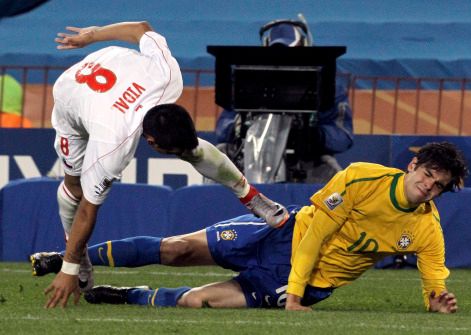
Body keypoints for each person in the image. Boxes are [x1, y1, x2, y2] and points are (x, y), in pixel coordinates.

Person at [32, 142, 467, 313]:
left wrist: (436, 299)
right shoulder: (360, 176)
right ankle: (66, 259)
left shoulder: (427, 230)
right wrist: (293, 300)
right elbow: (315, 234)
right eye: (427, 175)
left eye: (438, 186)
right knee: (177, 249)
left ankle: (123, 296)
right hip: (281, 234)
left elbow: (434, 277)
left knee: (197, 303)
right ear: (412, 166)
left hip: (304, 281)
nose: (428, 187)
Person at [42, 21, 289, 309]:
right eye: (170, 151)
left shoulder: (168, 76)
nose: (176, 155)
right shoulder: (111, 147)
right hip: (72, 94)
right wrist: (68, 268)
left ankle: (253, 199)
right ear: (150, 142)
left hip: (112, 68)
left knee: (192, 149)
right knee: (74, 184)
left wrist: (93, 34)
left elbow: (140, 28)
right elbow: (87, 208)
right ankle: (81, 260)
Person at [215, 18, 354, 183]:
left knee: (334, 176)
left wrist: (316, 136)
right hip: (251, 156)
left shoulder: (329, 86)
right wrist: (237, 128)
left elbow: (343, 134)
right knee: (219, 155)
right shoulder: (247, 81)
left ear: (304, 47)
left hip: (309, 160)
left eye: (292, 52)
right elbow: (222, 129)